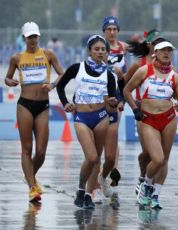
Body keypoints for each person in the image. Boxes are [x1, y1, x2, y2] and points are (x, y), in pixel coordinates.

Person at [4, 22, 64, 202]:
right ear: (24, 38)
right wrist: (10, 82)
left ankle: (30, 176)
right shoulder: (17, 58)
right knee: (27, 148)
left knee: (41, 152)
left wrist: (52, 84)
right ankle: (32, 187)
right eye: (29, 37)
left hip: (43, 105)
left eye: (35, 36)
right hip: (25, 105)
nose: (33, 40)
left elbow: (62, 73)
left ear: (39, 36)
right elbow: (7, 77)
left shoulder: (48, 54)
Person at [56, 34, 117, 209]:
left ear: (107, 52)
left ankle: (89, 195)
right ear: (89, 51)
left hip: (100, 117)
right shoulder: (77, 68)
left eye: (103, 50)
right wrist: (66, 103)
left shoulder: (109, 75)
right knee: (90, 157)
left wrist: (113, 103)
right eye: (96, 49)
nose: (100, 52)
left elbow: (112, 101)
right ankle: (81, 189)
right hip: (81, 117)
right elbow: (61, 86)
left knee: (96, 158)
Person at [123, 39, 178, 208]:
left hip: (168, 119)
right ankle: (147, 185)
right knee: (156, 159)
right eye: (163, 50)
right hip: (148, 119)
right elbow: (126, 90)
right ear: (155, 53)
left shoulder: (175, 76)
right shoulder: (144, 71)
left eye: (169, 50)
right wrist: (135, 108)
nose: (166, 53)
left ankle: (155, 195)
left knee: (164, 160)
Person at [124, 29, 169, 208]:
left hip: (164, 115)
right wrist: (126, 103)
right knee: (149, 154)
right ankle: (143, 178)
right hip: (143, 115)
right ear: (150, 45)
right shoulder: (139, 64)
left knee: (161, 156)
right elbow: (125, 85)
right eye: (156, 42)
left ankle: (153, 192)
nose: (160, 46)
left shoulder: (167, 65)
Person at [101, 16, 128, 190]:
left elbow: (126, 73)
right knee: (102, 133)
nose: (112, 32)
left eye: (114, 29)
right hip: (101, 92)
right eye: (109, 29)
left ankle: (114, 169)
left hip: (117, 93)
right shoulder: (99, 47)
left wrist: (124, 96)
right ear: (104, 31)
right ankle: (102, 167)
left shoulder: (124, 47)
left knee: (113, 132)